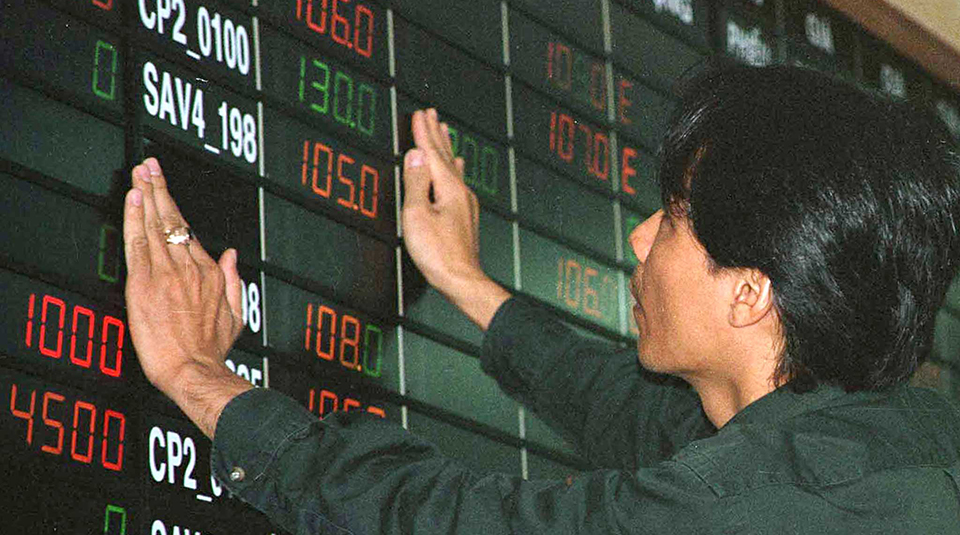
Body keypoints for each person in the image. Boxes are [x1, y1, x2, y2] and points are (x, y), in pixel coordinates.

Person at [123, 62, 960, 533]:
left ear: (750, 292)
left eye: (672, 221)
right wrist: (469, 285)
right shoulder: (882, 436)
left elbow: (457, 523)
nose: (637, 240)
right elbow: (637, 416)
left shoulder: (748, 511)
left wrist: (199, 375)